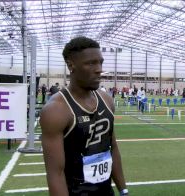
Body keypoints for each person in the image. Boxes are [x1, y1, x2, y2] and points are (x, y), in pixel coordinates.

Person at [40, 36, 128, 196]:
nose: (99, 69)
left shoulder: (107, 100)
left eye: (100, 62)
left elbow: (112, 147)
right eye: (90, 63)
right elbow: (55, 173)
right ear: (71, 65)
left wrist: (123, 190)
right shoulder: (56, 110)